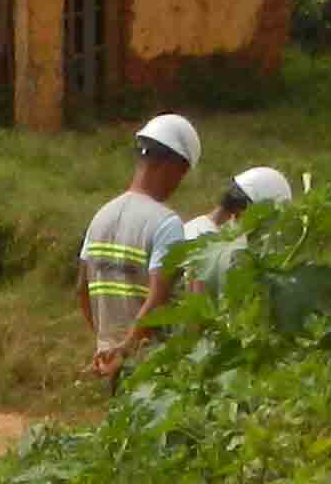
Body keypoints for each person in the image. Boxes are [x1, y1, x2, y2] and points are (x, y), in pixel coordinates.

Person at [81, 111, 203, 379]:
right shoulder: (166, 223)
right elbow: (158, 298)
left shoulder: (100, 216)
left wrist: (107, 344)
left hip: (110, 358)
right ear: (175, 167)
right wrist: (127, 349)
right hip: (150, 365)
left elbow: (82, 288)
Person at [137, 164, 289, 351]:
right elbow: (199, 316)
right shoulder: (219, 249)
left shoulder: (193, 228)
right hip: (186, 351)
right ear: (248, 210)